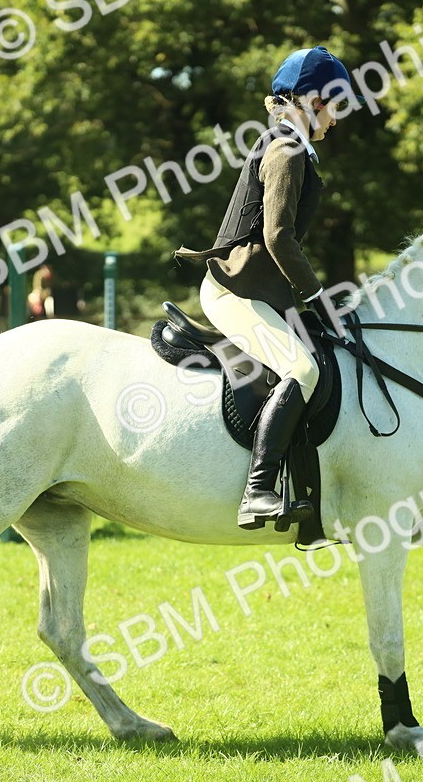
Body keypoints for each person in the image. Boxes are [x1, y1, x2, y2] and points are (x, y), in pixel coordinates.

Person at [175, 46, 357, 530]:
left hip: (262, 292)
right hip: (235, 291)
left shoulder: (292, 144)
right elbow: (278, 237)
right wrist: (317, 296)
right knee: (303, 369)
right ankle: (257, 490)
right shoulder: (286, 149)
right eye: (336, 105)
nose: (338, 119)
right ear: (312, 99)